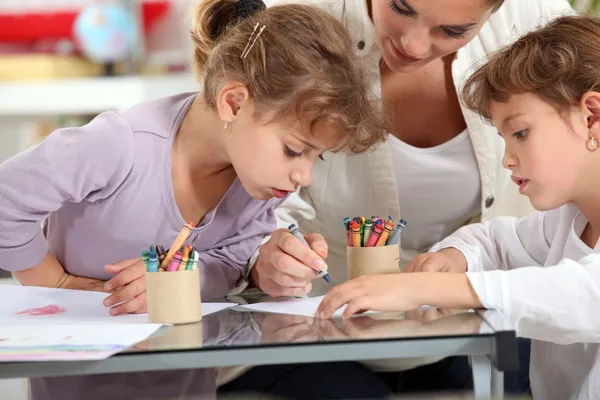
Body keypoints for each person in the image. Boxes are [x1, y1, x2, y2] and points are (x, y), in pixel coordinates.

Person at [0, 0, 384, 398]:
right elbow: (5, 200)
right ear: (234, 103)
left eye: (314, 157)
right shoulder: (120, 146)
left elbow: (233, 261)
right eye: (293, 150)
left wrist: (183, 281)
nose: (303, 176)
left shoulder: (257, 185)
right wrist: (55, 282)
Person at [221, 0, 573, 398]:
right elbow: (244, 189)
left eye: (453, 31)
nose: (415, 45)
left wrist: (442, 283)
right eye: (402, 8)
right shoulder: (301, 19)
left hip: (463, 328)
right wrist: (264, 257)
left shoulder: (538, 27)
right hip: (312, 329)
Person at [317, 15, 600, 400]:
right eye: (504, 139)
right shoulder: (570, 220)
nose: (507, 160)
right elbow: (497, 242)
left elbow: (583, 296)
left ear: (592, 116)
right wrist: (455, 257)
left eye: (520, 133)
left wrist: (428, 287)